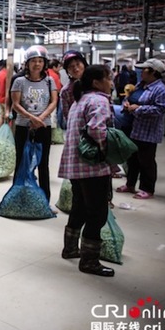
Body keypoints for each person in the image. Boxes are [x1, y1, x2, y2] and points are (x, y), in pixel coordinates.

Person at [58, 64, 116, 277]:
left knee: (80, 207)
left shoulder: (79, 101)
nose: (111, 82)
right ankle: (89, 261)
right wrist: (105, 150)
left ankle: (70, 247)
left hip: (75, 165)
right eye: (108, 78)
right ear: (96, 82)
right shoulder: (99, 100)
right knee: (97, 213)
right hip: (92, 167)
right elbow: (97, 129)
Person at [116, 59, 165, 199]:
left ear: (153, 72)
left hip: (148, 131)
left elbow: (161, 109)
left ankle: (147, 188)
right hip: (133, 128)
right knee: (132, 159)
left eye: (144, 69)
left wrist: (139, 109)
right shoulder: (141, 84)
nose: (141, 72)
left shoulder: (161, 90)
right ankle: (130, 184)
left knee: (146, 160)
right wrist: (126, 104)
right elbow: (129, 97)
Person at [10, 45, 58, 203]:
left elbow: (53, 102)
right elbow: (16, 104)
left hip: (44, 127)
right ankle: (17, 198)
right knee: (21, 161)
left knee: (43, 164)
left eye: (40, 61)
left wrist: (41, 118)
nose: (37, 64)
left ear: (44, 63)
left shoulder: (50, 81)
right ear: (27, 63)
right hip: (24, 126)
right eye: (33, 61)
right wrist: (32, 118)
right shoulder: (19, 81)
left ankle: (45, 200)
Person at [59, 50, 88, 124]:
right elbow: (68, 117)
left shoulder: (95, 82)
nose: (76, 68)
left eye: (78, 64)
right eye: (71, 66)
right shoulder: (65, 91)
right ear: (67, 71)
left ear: (84, 64)